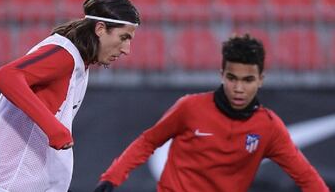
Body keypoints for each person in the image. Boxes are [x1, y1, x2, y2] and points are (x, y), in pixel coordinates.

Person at [93, 34, 329, 192]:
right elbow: (147, 142)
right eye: (232, 78)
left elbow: (305, 175)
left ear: (260, 80)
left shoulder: (268, 127)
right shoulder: (190, 108)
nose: (238, 88)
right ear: (221, 75)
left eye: (247, 80)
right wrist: (112, 177)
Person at [0, 0, 140, 192]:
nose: (127, 49)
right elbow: (6, 76)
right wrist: (53, 128)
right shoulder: (65, 54)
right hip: (0, 185)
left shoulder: (79, 62)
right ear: (100, 28)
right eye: (123, 37)